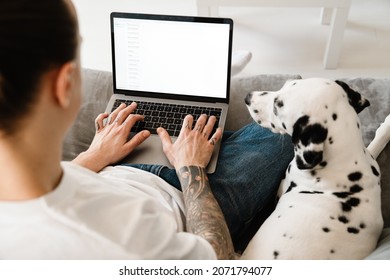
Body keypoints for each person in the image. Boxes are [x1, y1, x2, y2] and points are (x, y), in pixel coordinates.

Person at [0, 0, 294, 259]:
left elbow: (50, 191)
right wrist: (191, 168)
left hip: (113, 163)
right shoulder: (129, 237)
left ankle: (196, 83)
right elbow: (215, 257)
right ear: (64, 85)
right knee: (288, 123)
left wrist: (94, 154)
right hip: (185, 193)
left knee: (200, 128)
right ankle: (205, 82)